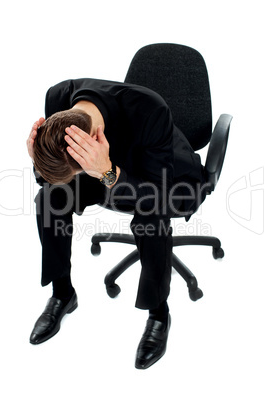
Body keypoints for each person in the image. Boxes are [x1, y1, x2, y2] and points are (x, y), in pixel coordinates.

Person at [26, 78, 206, 369]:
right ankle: (63, 294)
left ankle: (159, 314)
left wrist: (108, 172)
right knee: (49, 199)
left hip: (168, 179)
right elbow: (56, 173)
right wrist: (39, 159)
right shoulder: (58, 97)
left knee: (152, 221)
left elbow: (156, 197)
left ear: (95, 138)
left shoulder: (151, 110)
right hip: (100, 170)